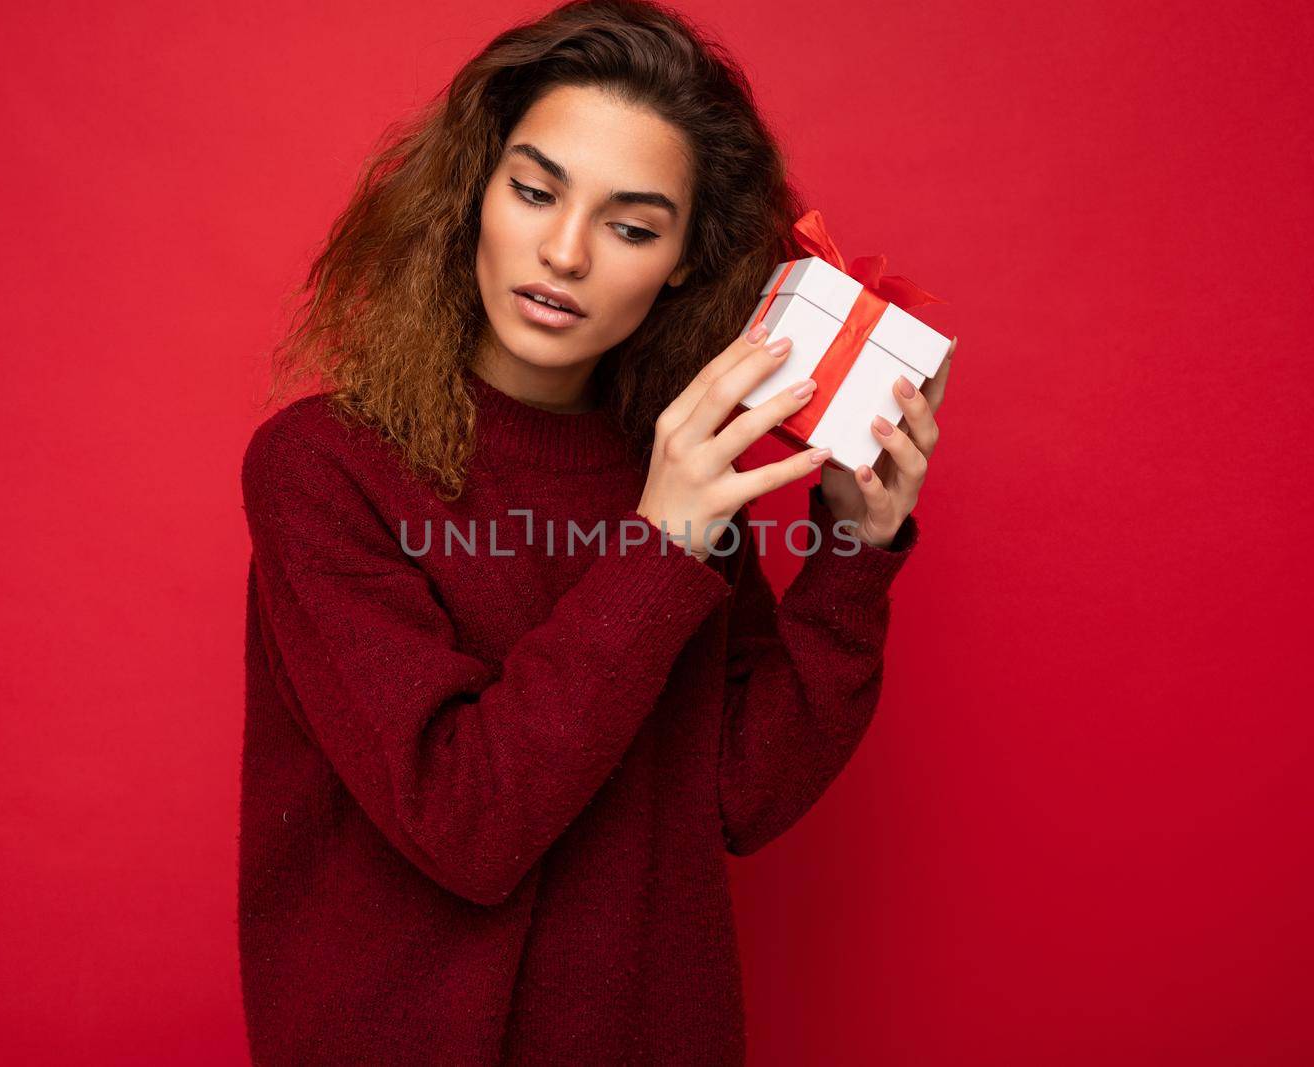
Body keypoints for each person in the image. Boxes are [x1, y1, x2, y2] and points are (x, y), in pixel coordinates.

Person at [237, 1, 953, 1063]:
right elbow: (462, 818)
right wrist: (660, 545)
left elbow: (732, 795)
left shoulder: (676, 465)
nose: (563, 251)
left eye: (629, 224)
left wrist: (849, 553)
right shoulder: (322, 467)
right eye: (533, 190)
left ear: (678, 260)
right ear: (476, 192)